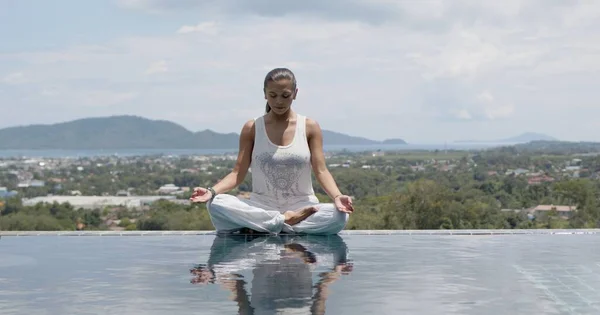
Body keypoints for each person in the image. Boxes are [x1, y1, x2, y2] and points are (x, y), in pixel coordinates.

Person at [190, 67, 354, 235]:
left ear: (295, 93)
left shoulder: (309, 126)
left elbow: (321, 170)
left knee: (339, 216)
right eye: (273, 95)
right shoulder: (252, 128)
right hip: (261, 206)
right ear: (265, 94)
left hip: (303, 206)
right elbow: (237, 173)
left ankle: (264, 226)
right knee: (217, 203)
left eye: (285, 95)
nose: (279, 102)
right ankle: (284, 222)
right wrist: (211, 192)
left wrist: (337, 196)